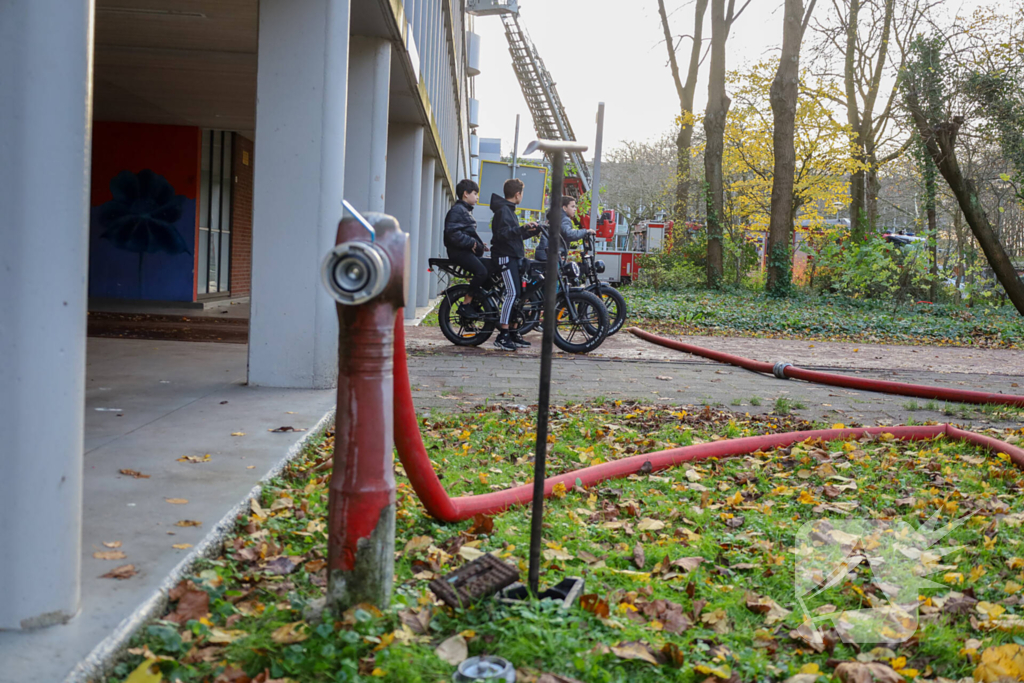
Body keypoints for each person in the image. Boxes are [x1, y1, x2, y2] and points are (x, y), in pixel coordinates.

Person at [489, 178, 539, 351]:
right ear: (517, 194)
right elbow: (502, 234)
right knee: (512, 293)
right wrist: (522, 228)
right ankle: (502, 335)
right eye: (522, 193)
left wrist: (531, 232)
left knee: (519, 295)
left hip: (513, 257)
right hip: (505, 257)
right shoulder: (503, 210)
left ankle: (512, 332)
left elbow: (514, 235)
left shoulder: (509, 210)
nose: (522, 196)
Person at [443, 179, 488, 319]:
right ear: (465, 194)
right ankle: (466, 303)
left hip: (463, 251)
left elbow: (465, 232)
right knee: (481, 272)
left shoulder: (464, 210)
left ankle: (476, 302)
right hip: (459, 253)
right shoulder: (458, 210)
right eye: (475, 193)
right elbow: (452, 234)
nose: (477, 197)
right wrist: (472, 243)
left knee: (488, 270)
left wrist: (479, 245)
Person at [535, 196, 595, 262]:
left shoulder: (555, 217)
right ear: (564, 208)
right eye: (572, 206)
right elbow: (569, 234)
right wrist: (586, 231)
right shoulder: (564, 219)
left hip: (544, 254)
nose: (575, 209)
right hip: (551, 256)